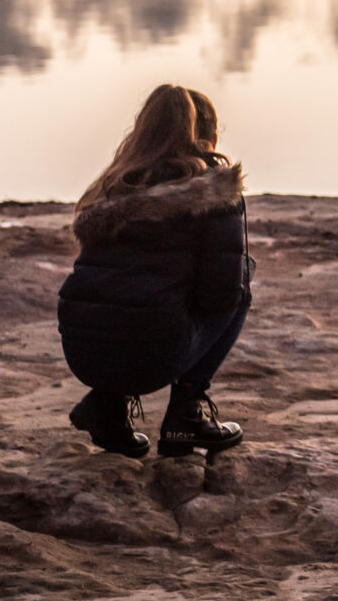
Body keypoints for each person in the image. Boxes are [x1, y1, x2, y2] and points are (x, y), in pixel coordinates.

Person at [58, 84, 255, 459]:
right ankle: (186, 414)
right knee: (240, 278)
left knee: (128, 290)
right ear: (207, 138)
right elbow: (221, 294)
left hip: (82, 351)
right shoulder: (213, 190)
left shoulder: (112, 185)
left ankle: (108, 408)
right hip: (152, 354)